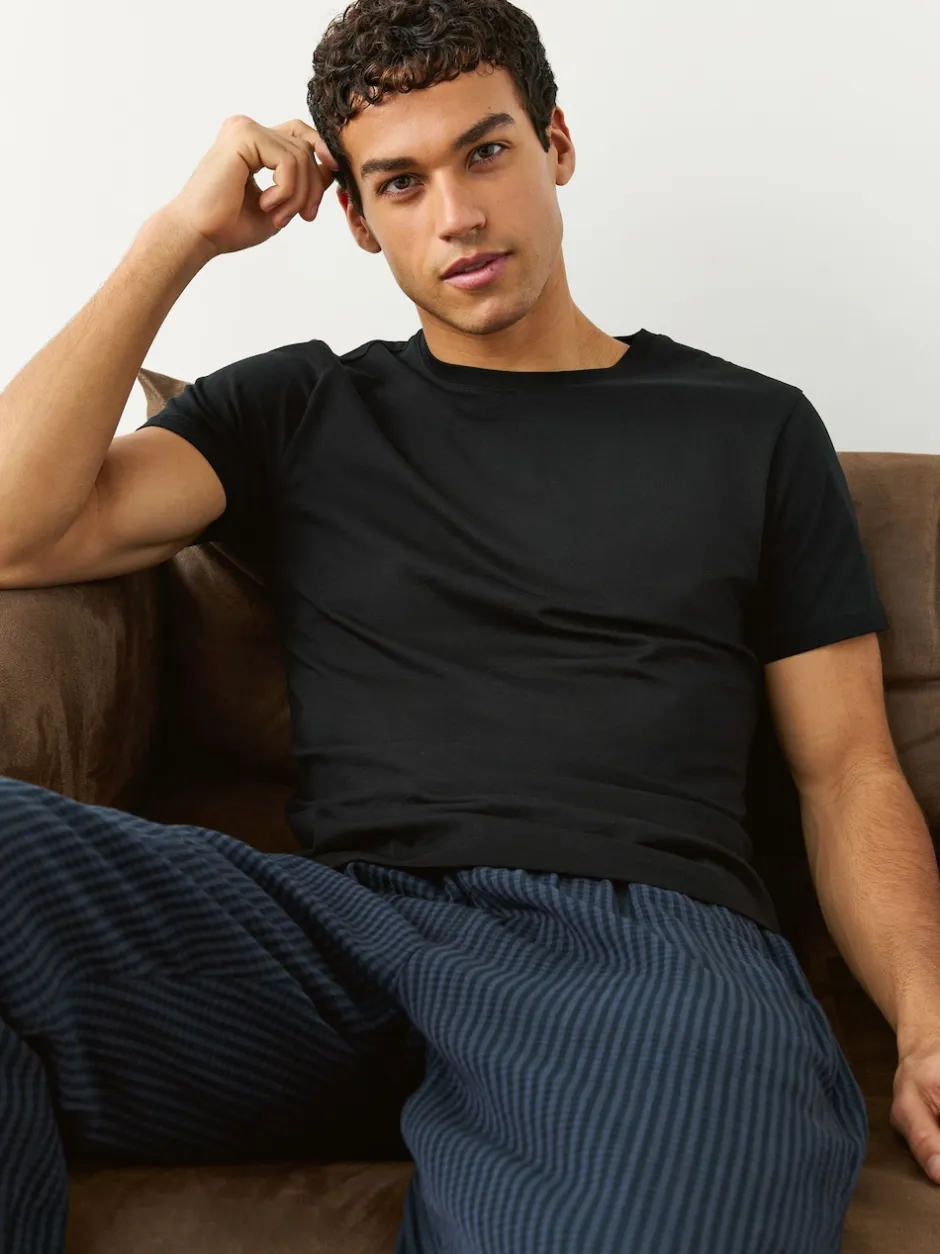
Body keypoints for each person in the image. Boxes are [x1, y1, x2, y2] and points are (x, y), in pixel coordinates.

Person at [3, 1, 940, 1250]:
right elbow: (15, 529)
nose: (456, 215)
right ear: (356, 216)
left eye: (485, 152)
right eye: (401, 182)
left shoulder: (750, 427)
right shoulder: (300, 407)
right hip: (341, 942)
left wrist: (926, 1023)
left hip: (637, 949)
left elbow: (847, 770)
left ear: (556, 144)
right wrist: (176, 238)